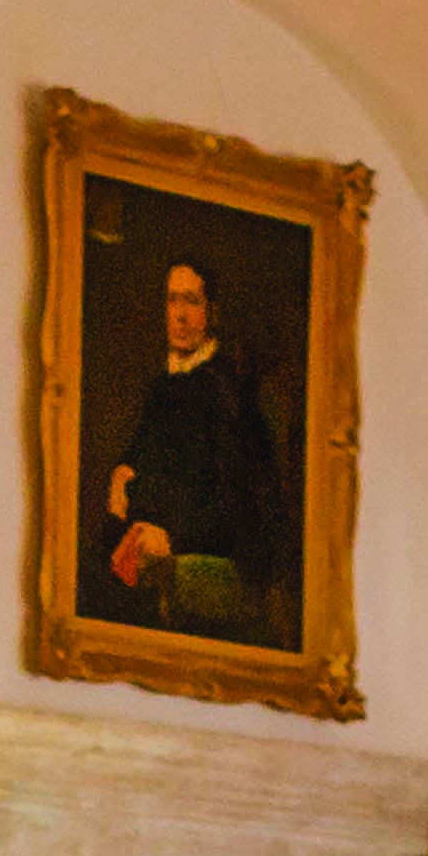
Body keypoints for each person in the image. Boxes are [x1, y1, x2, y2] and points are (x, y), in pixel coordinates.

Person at [95, 255, 293, 628]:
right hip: (151, 546)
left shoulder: (227, 391)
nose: (180, 315)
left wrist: (172, 538)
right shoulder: (162, 386)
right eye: (173, 300)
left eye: (192, 301)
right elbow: (143, 466)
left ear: (212, 312)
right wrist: (121, 478)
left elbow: (236, 507)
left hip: (213, 556)